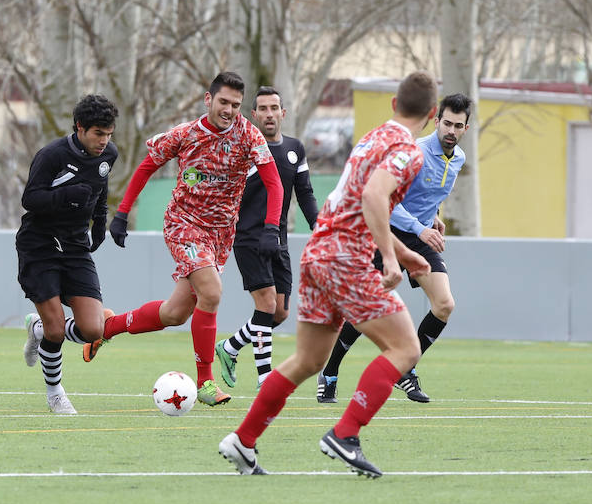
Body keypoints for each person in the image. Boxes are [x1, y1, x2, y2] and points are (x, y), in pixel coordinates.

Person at [218, 71, 437, 477]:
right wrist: (390, 258)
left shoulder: (372, 137)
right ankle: (346, 434)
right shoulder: (409, 150)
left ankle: (243, 441)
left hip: (317, 252)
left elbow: (360, 202)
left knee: (308, 359)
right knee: (405, 349)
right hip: (345, 258)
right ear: (433, 114)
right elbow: (374, 196)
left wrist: (404, 253)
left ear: (393, 105)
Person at [83, 71, 284, 407]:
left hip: (220, 235)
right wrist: (121, 214)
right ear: (208, 99)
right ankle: (205, 381)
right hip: (183, 224)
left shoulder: (249, 136)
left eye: (235, 105)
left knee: (175, 313)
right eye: (223, 102)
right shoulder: (186, 134)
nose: (229, 110)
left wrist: (272, 227)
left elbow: (274, 183)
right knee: (212, 291)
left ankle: (107, 327)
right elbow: (147, 166)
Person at [317, 93, 470, 404]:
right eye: (447, 123)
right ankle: (329, 373)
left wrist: (435, 216)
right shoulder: (414, 151)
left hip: (421, 235)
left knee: (444, 304)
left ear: (466, 129)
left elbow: (430, 193)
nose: (451, 131)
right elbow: (386, 199)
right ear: (436, 121)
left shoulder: (459, 160)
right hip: (388, 233)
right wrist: (420, 227)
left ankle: (405, 370)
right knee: (365, 312)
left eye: (459, 125)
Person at [16, 94, 119, 415]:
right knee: (57, 331)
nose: (104, 141)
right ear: (80, 128)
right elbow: (30, 199)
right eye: (98, 134)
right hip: (40, 245)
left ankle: (37, 329)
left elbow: (100, 190)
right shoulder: (51, 155)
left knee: (94, 330)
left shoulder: (109, 155)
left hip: (75, 247)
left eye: (109, 134)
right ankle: (55, 394)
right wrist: (66, 195)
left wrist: (101, 223)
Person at [215, 86, 318, 390]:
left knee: (280, 311)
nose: (269, 114)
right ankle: (265, 379)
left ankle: (231, 347)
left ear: (283, 113)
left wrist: (321, 228)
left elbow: (306, 194)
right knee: (267, 304)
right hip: (249, 238)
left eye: (275, 108)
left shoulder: (295, 148)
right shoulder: (244, 150)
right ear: (254, 114)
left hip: (279, 240)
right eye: (263, 109)